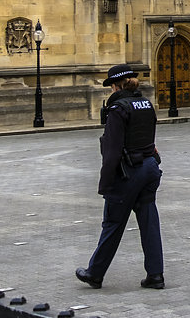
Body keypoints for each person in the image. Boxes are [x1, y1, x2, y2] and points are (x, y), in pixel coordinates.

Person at [76, 64, 164, 290]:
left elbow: (112, 151)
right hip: (150, 167)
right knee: (149, 222)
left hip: (129, 172)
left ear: (116, 86)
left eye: (111, 88)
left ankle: (95, 273)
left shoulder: (118, 109)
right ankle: (155, 275)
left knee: (113, 223)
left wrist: (105, 185)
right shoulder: (146, 104)